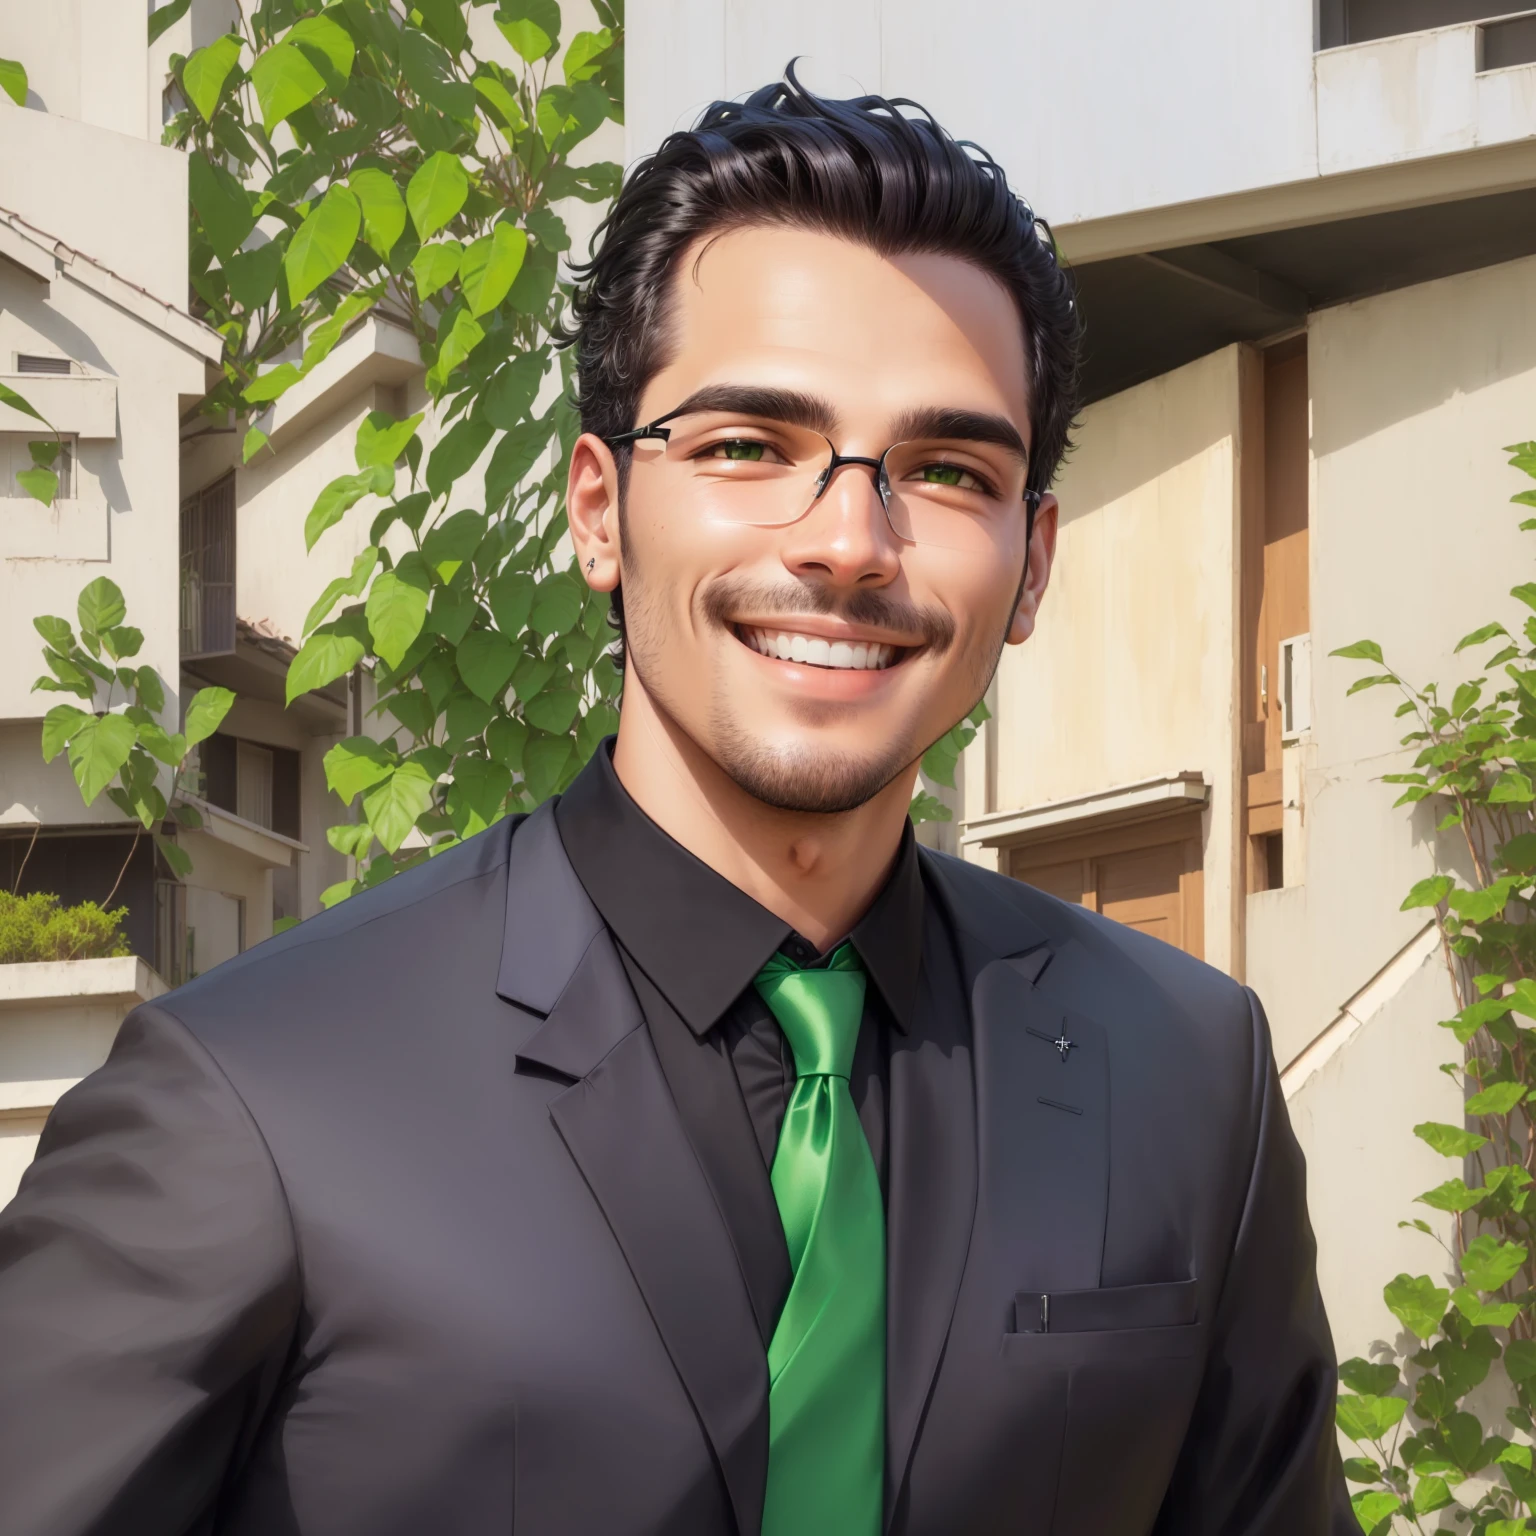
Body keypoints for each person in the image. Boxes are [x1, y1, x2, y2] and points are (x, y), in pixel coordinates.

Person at [0, 72, 1357, 1536]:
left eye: (945, 469)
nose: (848, 540)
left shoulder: (1184, 1073)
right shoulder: (254, 1100)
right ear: (600, 508)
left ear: (1029, 564)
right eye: (746, 447)